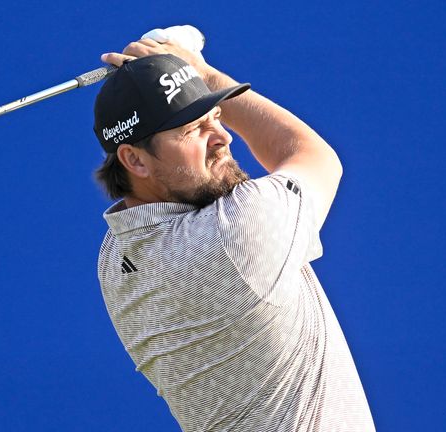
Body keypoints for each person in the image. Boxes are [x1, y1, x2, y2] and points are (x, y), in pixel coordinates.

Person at [93, 35, 376, 431]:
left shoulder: (115, 259)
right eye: (192, 129)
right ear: (134, 160)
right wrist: (204, 73)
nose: (223, 137)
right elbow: (313, 156)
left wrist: (175, 80)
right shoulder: (234, 234)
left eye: (216, 116)